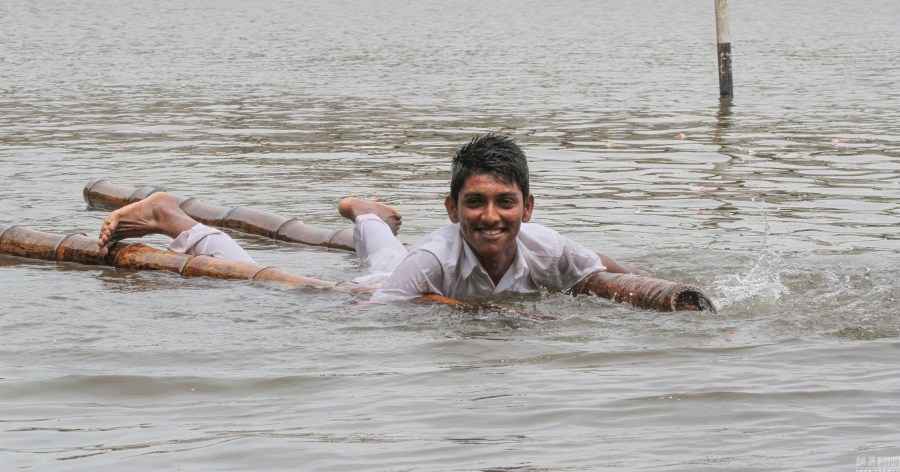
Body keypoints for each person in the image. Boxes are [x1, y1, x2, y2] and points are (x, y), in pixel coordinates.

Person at [98, 134, 645, 301]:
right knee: (272, 281)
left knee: (388, 251)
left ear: (528, 208)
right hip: (379, 291)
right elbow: (382, 316)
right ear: (452, 210)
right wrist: (455, 310)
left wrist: (655, 290)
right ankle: (175, 219)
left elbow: (604, 270)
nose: (491, 217)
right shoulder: (434, 257)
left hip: (404, 267)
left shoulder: (547, 245)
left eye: (506, 203)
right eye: (475, 203)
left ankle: (366, 211)